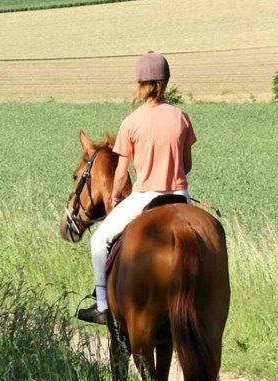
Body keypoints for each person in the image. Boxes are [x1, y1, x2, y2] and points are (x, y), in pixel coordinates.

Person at [77, 51, 196, 325]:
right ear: (165, 82)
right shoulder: (181, 117)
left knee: (98, 241)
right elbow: (186, 166)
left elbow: (120, 175)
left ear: (141, 85)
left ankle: (103, 306)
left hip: (144, 197)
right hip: (180, 197)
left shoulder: (131, 122)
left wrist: (117, 196)